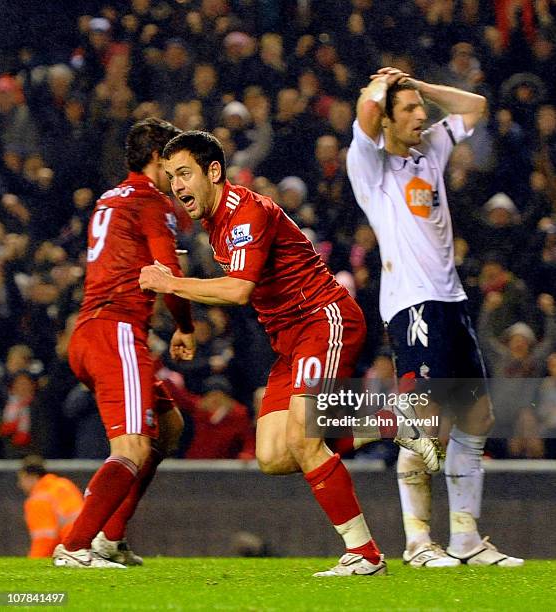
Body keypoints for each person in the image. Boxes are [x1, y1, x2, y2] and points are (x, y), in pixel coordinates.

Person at [139, 130, 436, 577]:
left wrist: (171, 284)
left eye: (184, 173)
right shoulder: (214, 222)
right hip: (291, 342)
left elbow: (239, 290)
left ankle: (365, 555)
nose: (177, 186)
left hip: (323, 318)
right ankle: (392, 418)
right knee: (275, 454)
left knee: (304, 438)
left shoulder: (246, 213)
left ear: (213, 171)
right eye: (171, 177)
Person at [346, 66, 523, 567]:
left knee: (476, 418)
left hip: (452, 302)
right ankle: (418, 542)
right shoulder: (370, 166)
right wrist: (380, 84)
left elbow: (475, 106)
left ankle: (466, 538)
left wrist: (419, 87)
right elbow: (363, 114)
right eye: (409, 111)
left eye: (421, 109)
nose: (421, 116)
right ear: (385, 119)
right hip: (413, 305)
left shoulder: (431, 151)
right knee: (420, 423)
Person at [53, 118, 196, 569]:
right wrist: (185, 327)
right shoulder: (152, 201)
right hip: (114, 330)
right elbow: (166, 274)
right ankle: (75, 546)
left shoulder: (110, 197)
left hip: (91, 330)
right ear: (158, 159)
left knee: (168, 428)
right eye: (174, 161)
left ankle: (111, 537)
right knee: (132, 447)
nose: (178, 173)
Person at [17, 456, 84, 558]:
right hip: (86, 544)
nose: (20, 485)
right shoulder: (64, 484)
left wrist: (33, 562)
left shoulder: (39, 498)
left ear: (30, 477)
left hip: (69, 549)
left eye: (21, 479)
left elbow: (44, 539)